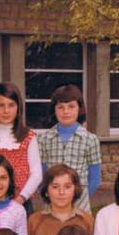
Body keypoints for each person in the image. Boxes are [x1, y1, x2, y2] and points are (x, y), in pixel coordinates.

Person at [0, 82, 41, 207]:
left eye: (11, 105)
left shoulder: (28, 137)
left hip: (22, 204)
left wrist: (20, 199)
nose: (6, 111)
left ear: (18, 108)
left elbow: (36, 174)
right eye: (1, 105)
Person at [37, 84, 101, 213]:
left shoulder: (90, 139)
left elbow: (94, 179)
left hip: (80, 207)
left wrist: (77, 198)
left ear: (79, 108)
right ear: (54, 110)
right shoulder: (43, 139)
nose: (66, 112)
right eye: (60, 107)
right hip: (52, 207)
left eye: (71, 106)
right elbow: (42, 177)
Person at [27, 164, 93, 235]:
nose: (61, 192)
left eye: (67, 187)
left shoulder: (86, 221)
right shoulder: (34, 221)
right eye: (55, 187)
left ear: (75, 190)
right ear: (46, 191)